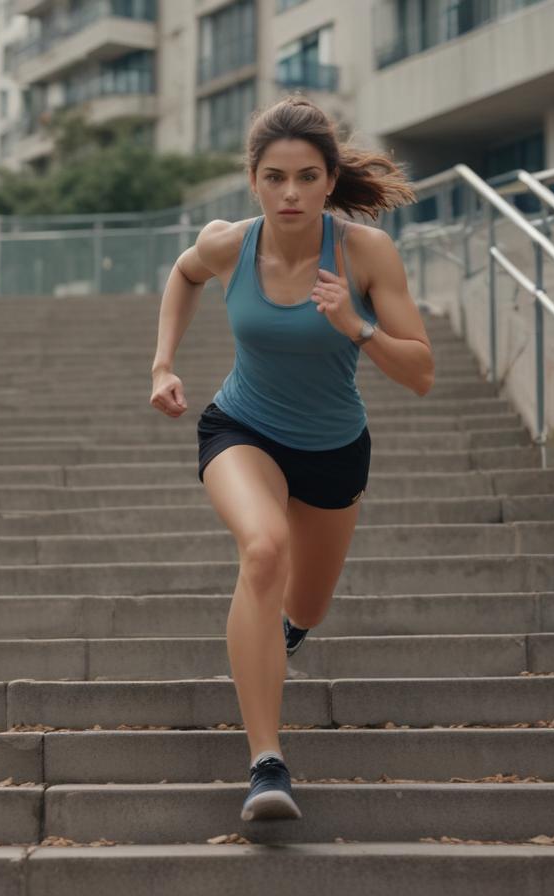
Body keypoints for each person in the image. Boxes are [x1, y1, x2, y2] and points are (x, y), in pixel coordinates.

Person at [149, 96, 435, 823]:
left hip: (335, 451)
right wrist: (163, 365)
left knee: (304, 608)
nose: (290, 194)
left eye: (307, 177)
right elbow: (183, 276)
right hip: (241, 427)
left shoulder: (366, 253)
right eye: (275, 178)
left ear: (331, 180)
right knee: (264, 550)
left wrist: (355, 326)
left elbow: (422, 373)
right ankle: (266, 764)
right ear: (253, 180)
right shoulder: (227, 244)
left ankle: (272, 645)